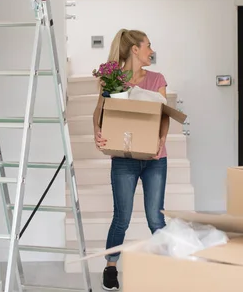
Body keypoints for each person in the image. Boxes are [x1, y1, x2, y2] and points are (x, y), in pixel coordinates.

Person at [92, 29, 170, 291]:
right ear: (135, 49)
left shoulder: (157, 78)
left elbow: (164, 115)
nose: (151, 50)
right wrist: (98, 133)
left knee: (155, 219)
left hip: (155, 159)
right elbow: (100, 113)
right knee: (121, 217)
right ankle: (111, 267)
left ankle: (169, 267)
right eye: (148, 45)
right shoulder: (112, 80)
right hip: (124, 158)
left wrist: (160, 141)